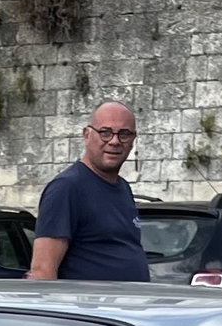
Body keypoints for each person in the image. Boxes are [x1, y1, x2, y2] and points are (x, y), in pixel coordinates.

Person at [29, 102, 150, 282]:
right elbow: (42, 271)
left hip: (126, 306)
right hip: (90, 308)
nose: (115, 141)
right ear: (87, 135)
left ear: (133, 139)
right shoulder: (67, 188)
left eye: (124, 134)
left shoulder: (122, 188)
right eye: (105, 132)